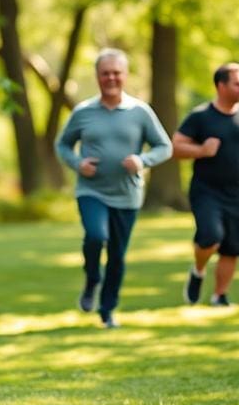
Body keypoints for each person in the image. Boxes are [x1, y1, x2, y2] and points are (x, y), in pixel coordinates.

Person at [55, 48, 172, 328]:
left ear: (125, 75)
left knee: (117, 256)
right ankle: (92, 278)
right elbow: (62, 145)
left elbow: (164, 146)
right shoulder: (83, 112)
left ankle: (107, 310)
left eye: (116, 73)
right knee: (96, 237)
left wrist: (142, 160)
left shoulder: (140, 112)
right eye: (105, 73)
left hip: (127, 195)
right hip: (91, 190)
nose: (111, 78)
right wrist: (77, 163)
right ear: (97, 76)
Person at [174, 63, 239, 307]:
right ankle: (198, 270)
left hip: (238, 191)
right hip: (206, 190)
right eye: (237, 83)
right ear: (221, 85)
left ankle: (220, 295)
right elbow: (175, 146)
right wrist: (200, 150)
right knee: (210, 237)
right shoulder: (200, 116)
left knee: (232, 247)